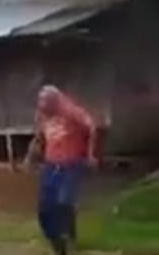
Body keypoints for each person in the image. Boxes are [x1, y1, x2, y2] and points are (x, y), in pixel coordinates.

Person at [25, 85, 97, 255]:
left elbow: (92, 126)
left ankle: (64, 242)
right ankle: (58, 236)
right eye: (39, 102)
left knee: (62, 203)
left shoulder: (71, 111)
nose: (41, 106)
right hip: (51, 164)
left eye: (44, 102)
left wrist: (90, 154)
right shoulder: (42, 114)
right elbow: (38, 136)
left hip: (71, 164)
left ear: (54, 101)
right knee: (44, 209)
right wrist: (30, 156)